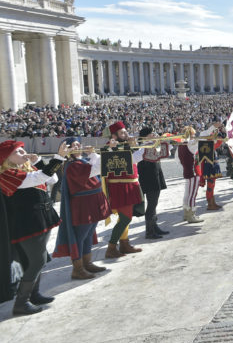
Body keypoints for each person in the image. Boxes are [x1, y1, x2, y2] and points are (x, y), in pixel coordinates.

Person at [0, 140, 64, 315]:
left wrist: (36, 162)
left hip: (40, 219)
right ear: (7, 158)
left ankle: (34, 294)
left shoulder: (28, 168)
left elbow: (52, 178)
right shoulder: (6, 173)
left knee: (39, 258)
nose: (24, 153)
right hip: (27, 223)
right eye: (18, 152)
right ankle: (21, 302)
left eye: (23, 150)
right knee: (37, 260)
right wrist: (58, 158)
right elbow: (38, 178)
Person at [53, 137, 112, 278]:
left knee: (89, 234)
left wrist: (92, 155)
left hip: (93, 201)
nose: (78, 146)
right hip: (83, 205)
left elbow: (96, 167)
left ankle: (87, 263)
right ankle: (77, 268)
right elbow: (98, 168)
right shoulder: (73, 165)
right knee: (80, 236)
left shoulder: (82, 162)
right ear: (67, 150)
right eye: (73, 145)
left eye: (78, 144)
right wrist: (95, 154)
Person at [103, 121, 148, 256]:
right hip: (120, 187)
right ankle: (111, 247)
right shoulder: (109, 148)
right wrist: (143, 146)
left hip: (130, 184)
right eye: (123, 132)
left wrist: (133, 146)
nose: (126, 134)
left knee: (127, 217)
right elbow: (135, 159)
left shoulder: (124, 145)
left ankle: (124, 244)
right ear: (114, 136)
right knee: (125, 218)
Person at [137, 127, 170, 238]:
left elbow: (164, 154)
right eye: (152, 134)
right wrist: (159, 142)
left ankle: (154, 227)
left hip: (155, 175)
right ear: (146, 136)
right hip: (148, 177)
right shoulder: (143, 147)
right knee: (151, 205)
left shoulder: (151, 145)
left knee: (154, 204)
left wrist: (164, 142)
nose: (154, 135)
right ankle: (149, 231)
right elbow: (154, 155)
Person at [178, 126, 205, 224]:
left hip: (187, 170)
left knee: (187, 194)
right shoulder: (191, 144)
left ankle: (186, 214)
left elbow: (177, 159)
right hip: (193, 172)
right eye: (193, 134)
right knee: (192, 194)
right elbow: (202, 139)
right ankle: (191, 215)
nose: (194, 136)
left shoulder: (181, 144)